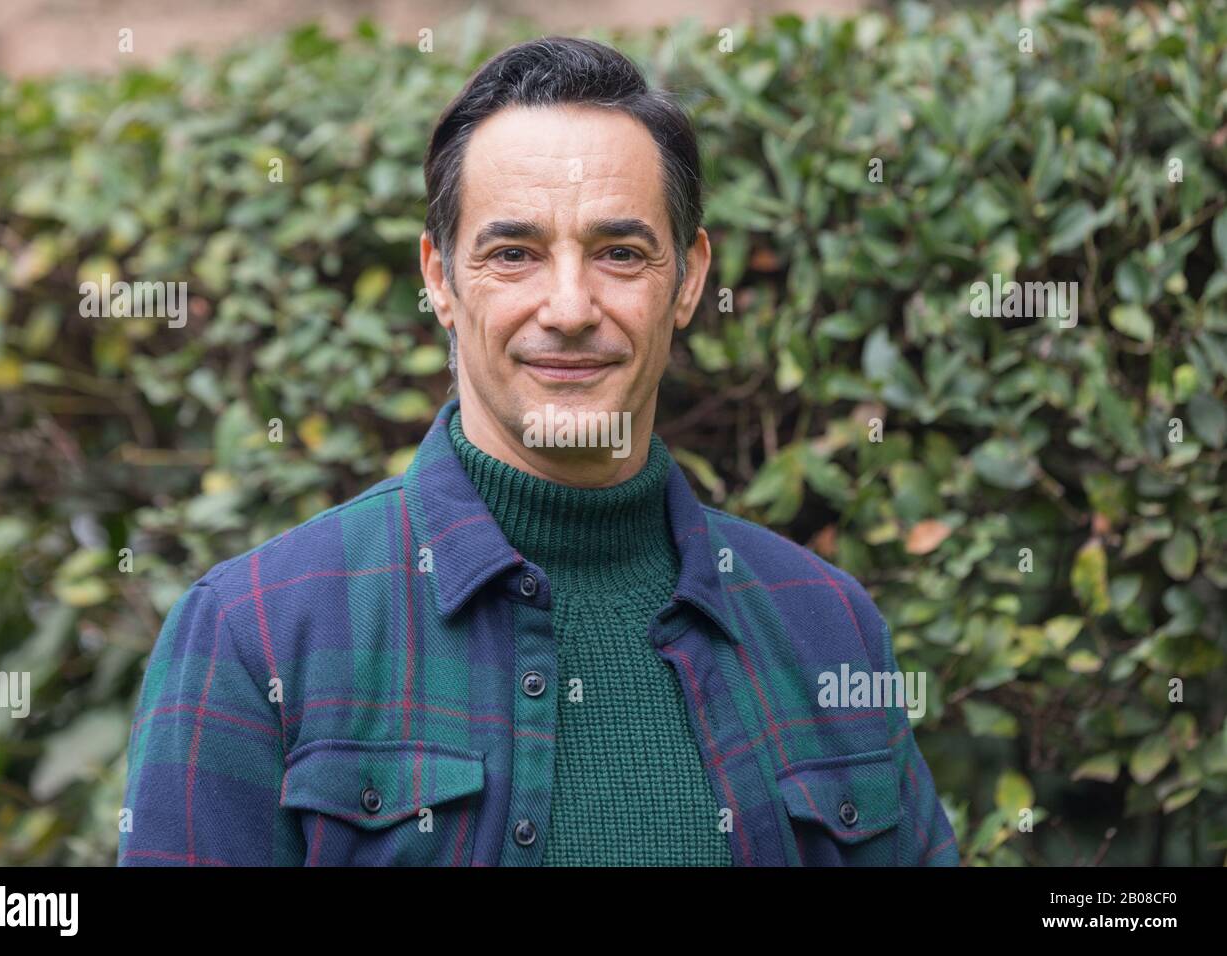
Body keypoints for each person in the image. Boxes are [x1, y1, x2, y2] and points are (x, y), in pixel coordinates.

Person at [119, 35, 958, 867]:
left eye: (620, 254)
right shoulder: (256, 633)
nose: (568, 307)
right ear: (441, 280)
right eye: (513, 254)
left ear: (690, 279)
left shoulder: (831, 629)